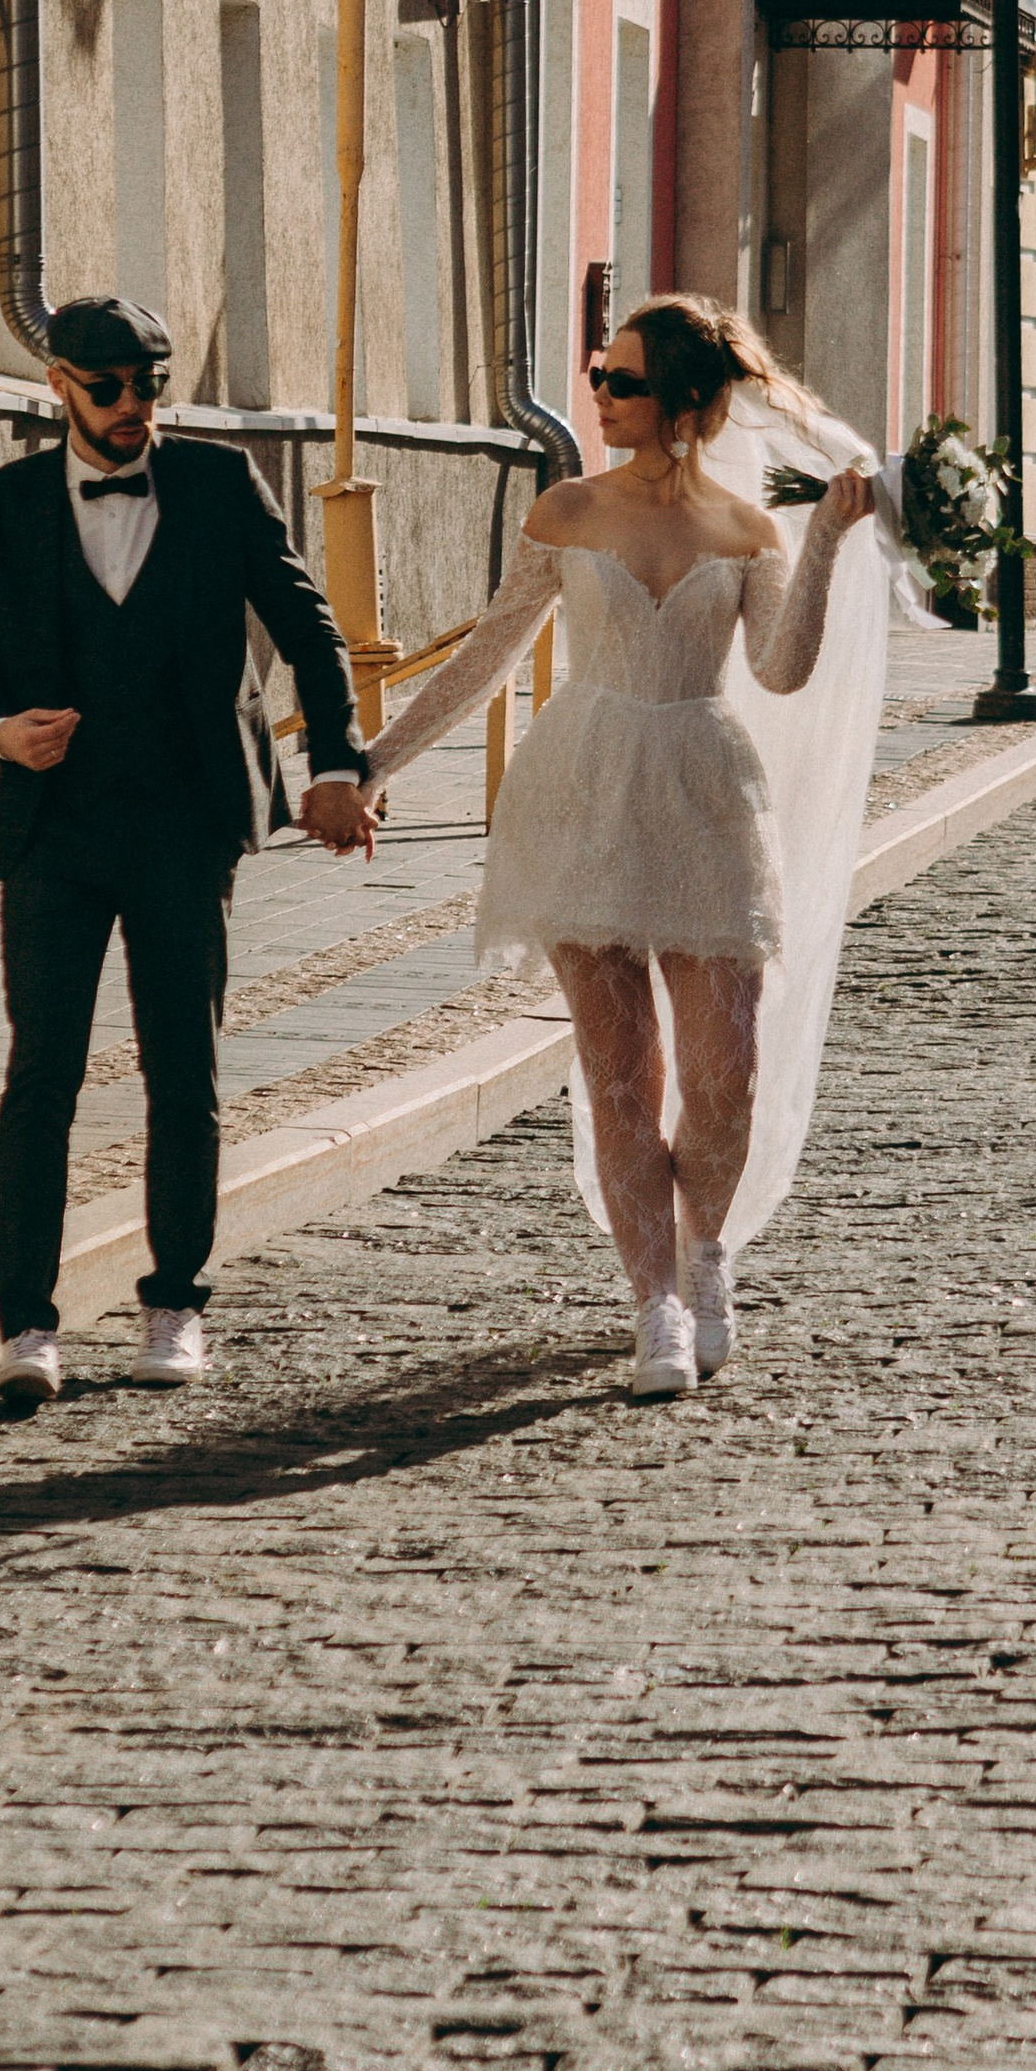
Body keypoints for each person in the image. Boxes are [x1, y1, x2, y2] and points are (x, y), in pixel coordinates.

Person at [356, 295, 891, 1398]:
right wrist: (372, 764)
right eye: (598, 373)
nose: (598, 394)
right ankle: (652, 1306)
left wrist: (829, 539)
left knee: (723, 1075)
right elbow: (484, 660)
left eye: (623, 381)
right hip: (579, 793)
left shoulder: (749, 529)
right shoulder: (565, 510)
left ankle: (706, 1260)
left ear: (687, 404)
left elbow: (783, 671)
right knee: (618, 1079)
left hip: (705, 795)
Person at [0, 292, 376, 1406]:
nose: (135, 406)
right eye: (110, 388)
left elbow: (309, 628)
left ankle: (173, 1303)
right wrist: (3, 731)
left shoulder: (217, 484)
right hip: (57, 829)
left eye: (150, 385)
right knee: (40, 1074)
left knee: (184, 1069)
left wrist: (337, 764)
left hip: (187, 821)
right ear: (61, 389)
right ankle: (27, 1327)